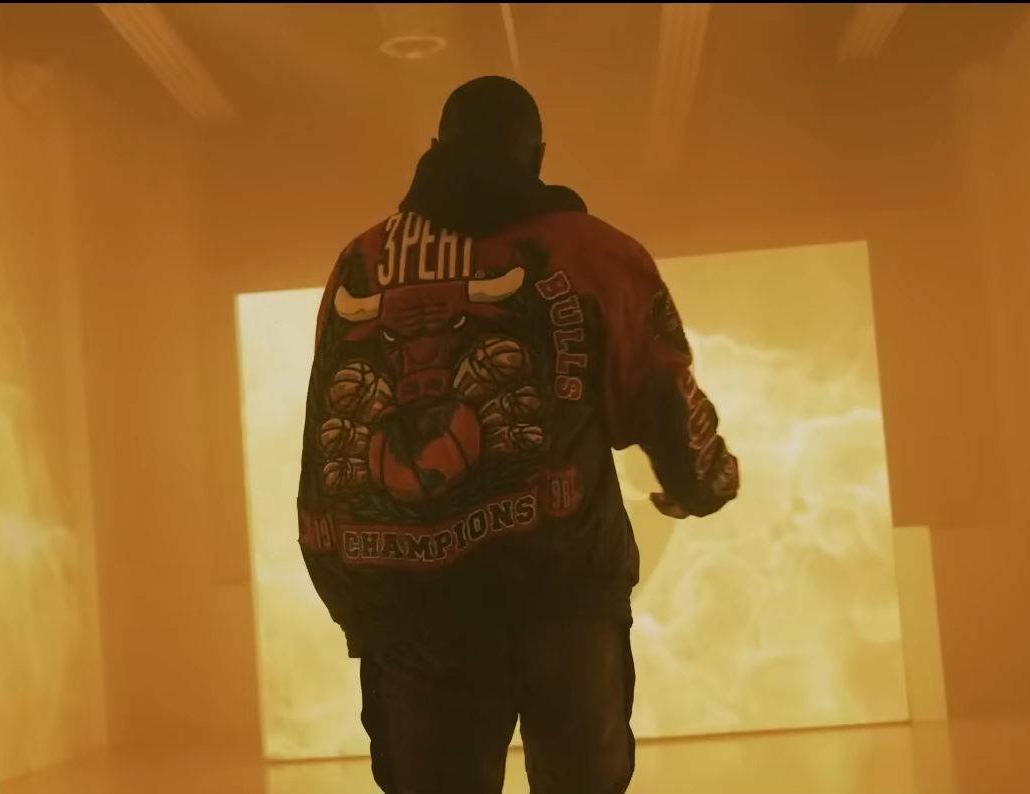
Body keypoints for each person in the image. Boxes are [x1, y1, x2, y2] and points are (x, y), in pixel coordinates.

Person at [294, 75, 741, 794]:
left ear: (434, 148)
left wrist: (353, 595)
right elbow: (660, 386)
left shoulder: (361, 263)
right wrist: (702, 483)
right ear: (536, 155)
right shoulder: (594, 252)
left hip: (417, 609)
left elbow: (329, 433)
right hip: (562, 593)